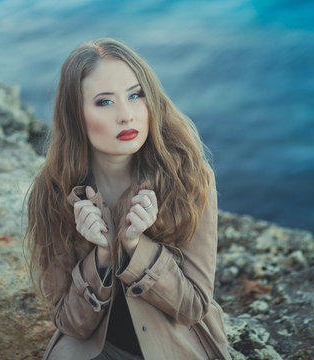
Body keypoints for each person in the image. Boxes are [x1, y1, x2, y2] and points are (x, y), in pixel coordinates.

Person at [25, 38, 230, 360]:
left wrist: (136, 247)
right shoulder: (51, 191)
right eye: (104, 102)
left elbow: (193, 307)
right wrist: (103, 257)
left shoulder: (189, 176)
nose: (126, 115)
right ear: (75, 115)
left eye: (135, 96)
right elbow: (69, 323)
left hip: (176, 347)